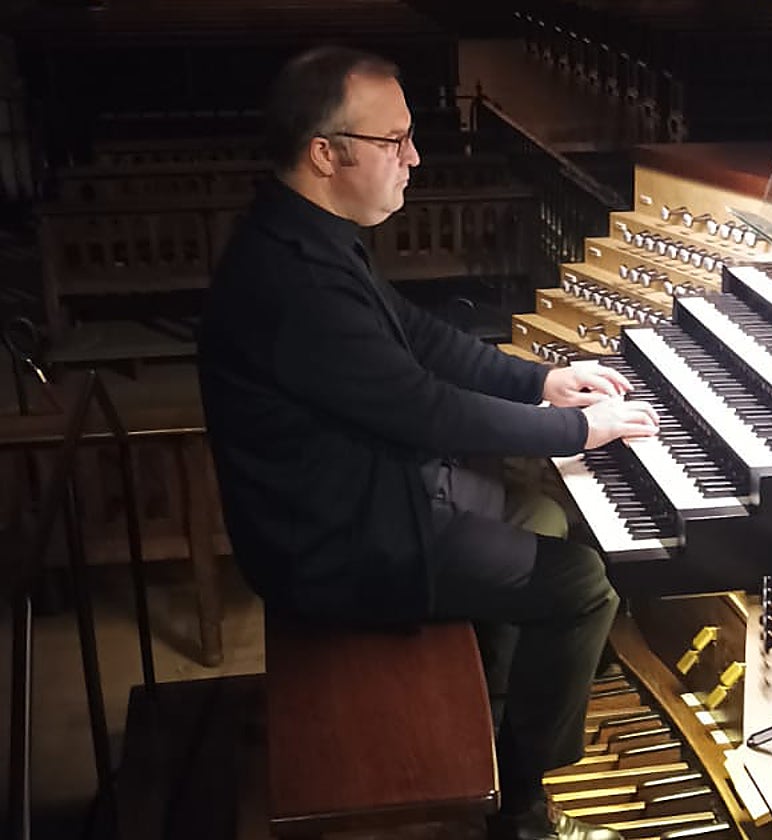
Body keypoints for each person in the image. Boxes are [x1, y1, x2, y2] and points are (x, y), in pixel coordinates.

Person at [197, 46, 659, 840]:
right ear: (325, 153)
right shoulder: (292, 280)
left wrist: (540, 381)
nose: (414, 156)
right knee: (583, 587)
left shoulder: (307, 231)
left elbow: (418, 338)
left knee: (543, 518)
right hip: (339, 541)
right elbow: (427, 411)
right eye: (395, 140)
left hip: (367, 491)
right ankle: (520, 795)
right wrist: (574, 429)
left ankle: (492, 695)